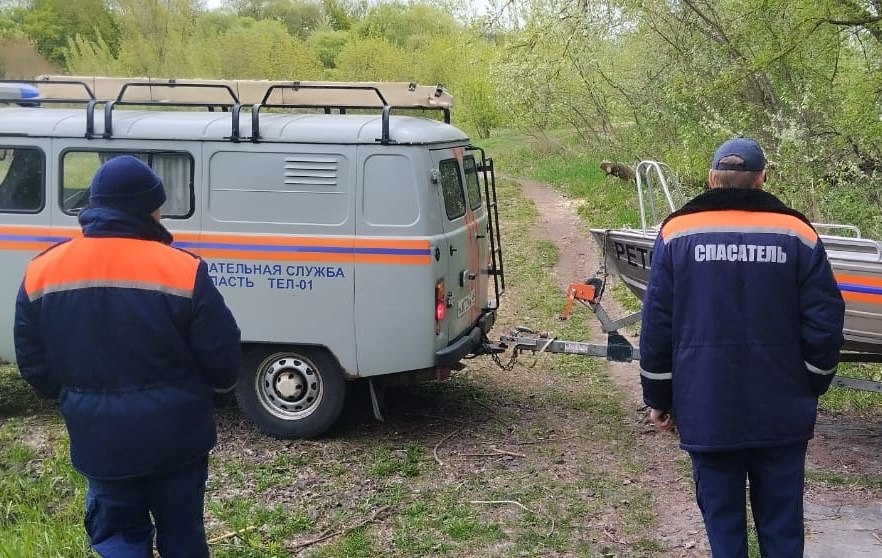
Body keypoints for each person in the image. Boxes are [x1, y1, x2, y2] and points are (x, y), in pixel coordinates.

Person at [14, 155, 242, 557]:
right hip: (178, 438)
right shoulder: (183, 270)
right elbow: (222, 356)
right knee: (183, 535)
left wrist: (76, 398)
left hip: (100, 440)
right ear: (146, 208)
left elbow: (33, 362)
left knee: (119, 538)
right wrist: (212, 393)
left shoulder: (42, 271)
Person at [638, 138, 845, 557]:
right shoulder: (798, 233)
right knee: (783, 524)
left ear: (713, 179)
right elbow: (825, 317)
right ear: (763, 178)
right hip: (782, 407)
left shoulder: (678, 232)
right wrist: (812, 383)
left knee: (723, 525)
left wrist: (659, 395)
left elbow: (657, 322)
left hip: (706, 405)